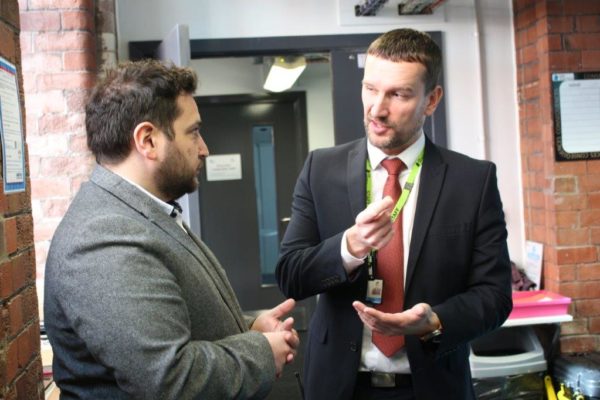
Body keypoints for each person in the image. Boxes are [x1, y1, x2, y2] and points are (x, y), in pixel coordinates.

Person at [276, 28, 512, 399]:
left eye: (398, 94)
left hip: (431, 386)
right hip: (338, 386)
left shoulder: (473, 181)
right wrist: (348, 247)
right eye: (370, 89)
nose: (377, 108)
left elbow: (495, 296)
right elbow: (291, 275)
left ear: (431, 100)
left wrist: (433, 322)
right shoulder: (320, 169)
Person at [44, 59, 299, 400]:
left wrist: (247, 327)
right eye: (193, 132)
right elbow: (171, 379)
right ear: (148, 140)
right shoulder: (104, 239)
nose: (204, 148)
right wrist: (260, 351)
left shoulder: (141, 212)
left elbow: (167, 319)